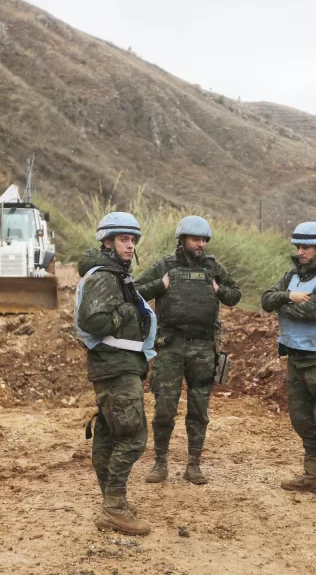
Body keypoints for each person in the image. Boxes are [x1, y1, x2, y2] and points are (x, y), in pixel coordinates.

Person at [135, 216, 241, 485]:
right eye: (196, 239)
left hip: (203, 347)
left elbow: (235, 295)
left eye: (204, 240)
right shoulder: (165, 266)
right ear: (182, 240)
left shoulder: (213, 266)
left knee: (199, 408)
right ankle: (160, 463)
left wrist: (218, 289)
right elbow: (135, 291)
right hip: (171, 346)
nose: (201, 244)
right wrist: (160, 286)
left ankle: (194, 465)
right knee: (164, 409)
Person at [74, 212, 157, 536]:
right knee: (134, 437)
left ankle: (112, 502)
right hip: (116, 368)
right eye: (124, 239)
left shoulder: (113, 274)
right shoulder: (105, 277)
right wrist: (124, 312)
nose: (130, 244)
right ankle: (113, 508)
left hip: (117, 366)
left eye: (132, 240)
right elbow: (92, 320)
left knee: (109, 434)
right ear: (108, 242)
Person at [260, 222, 316, 507]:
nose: (300, 252)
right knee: (301, 418)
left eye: (306, 248)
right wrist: (288, 296)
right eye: (298, 247)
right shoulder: (292, 277)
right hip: (296, 357)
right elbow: (265, 300)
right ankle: (313, 475)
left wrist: (283, 305)